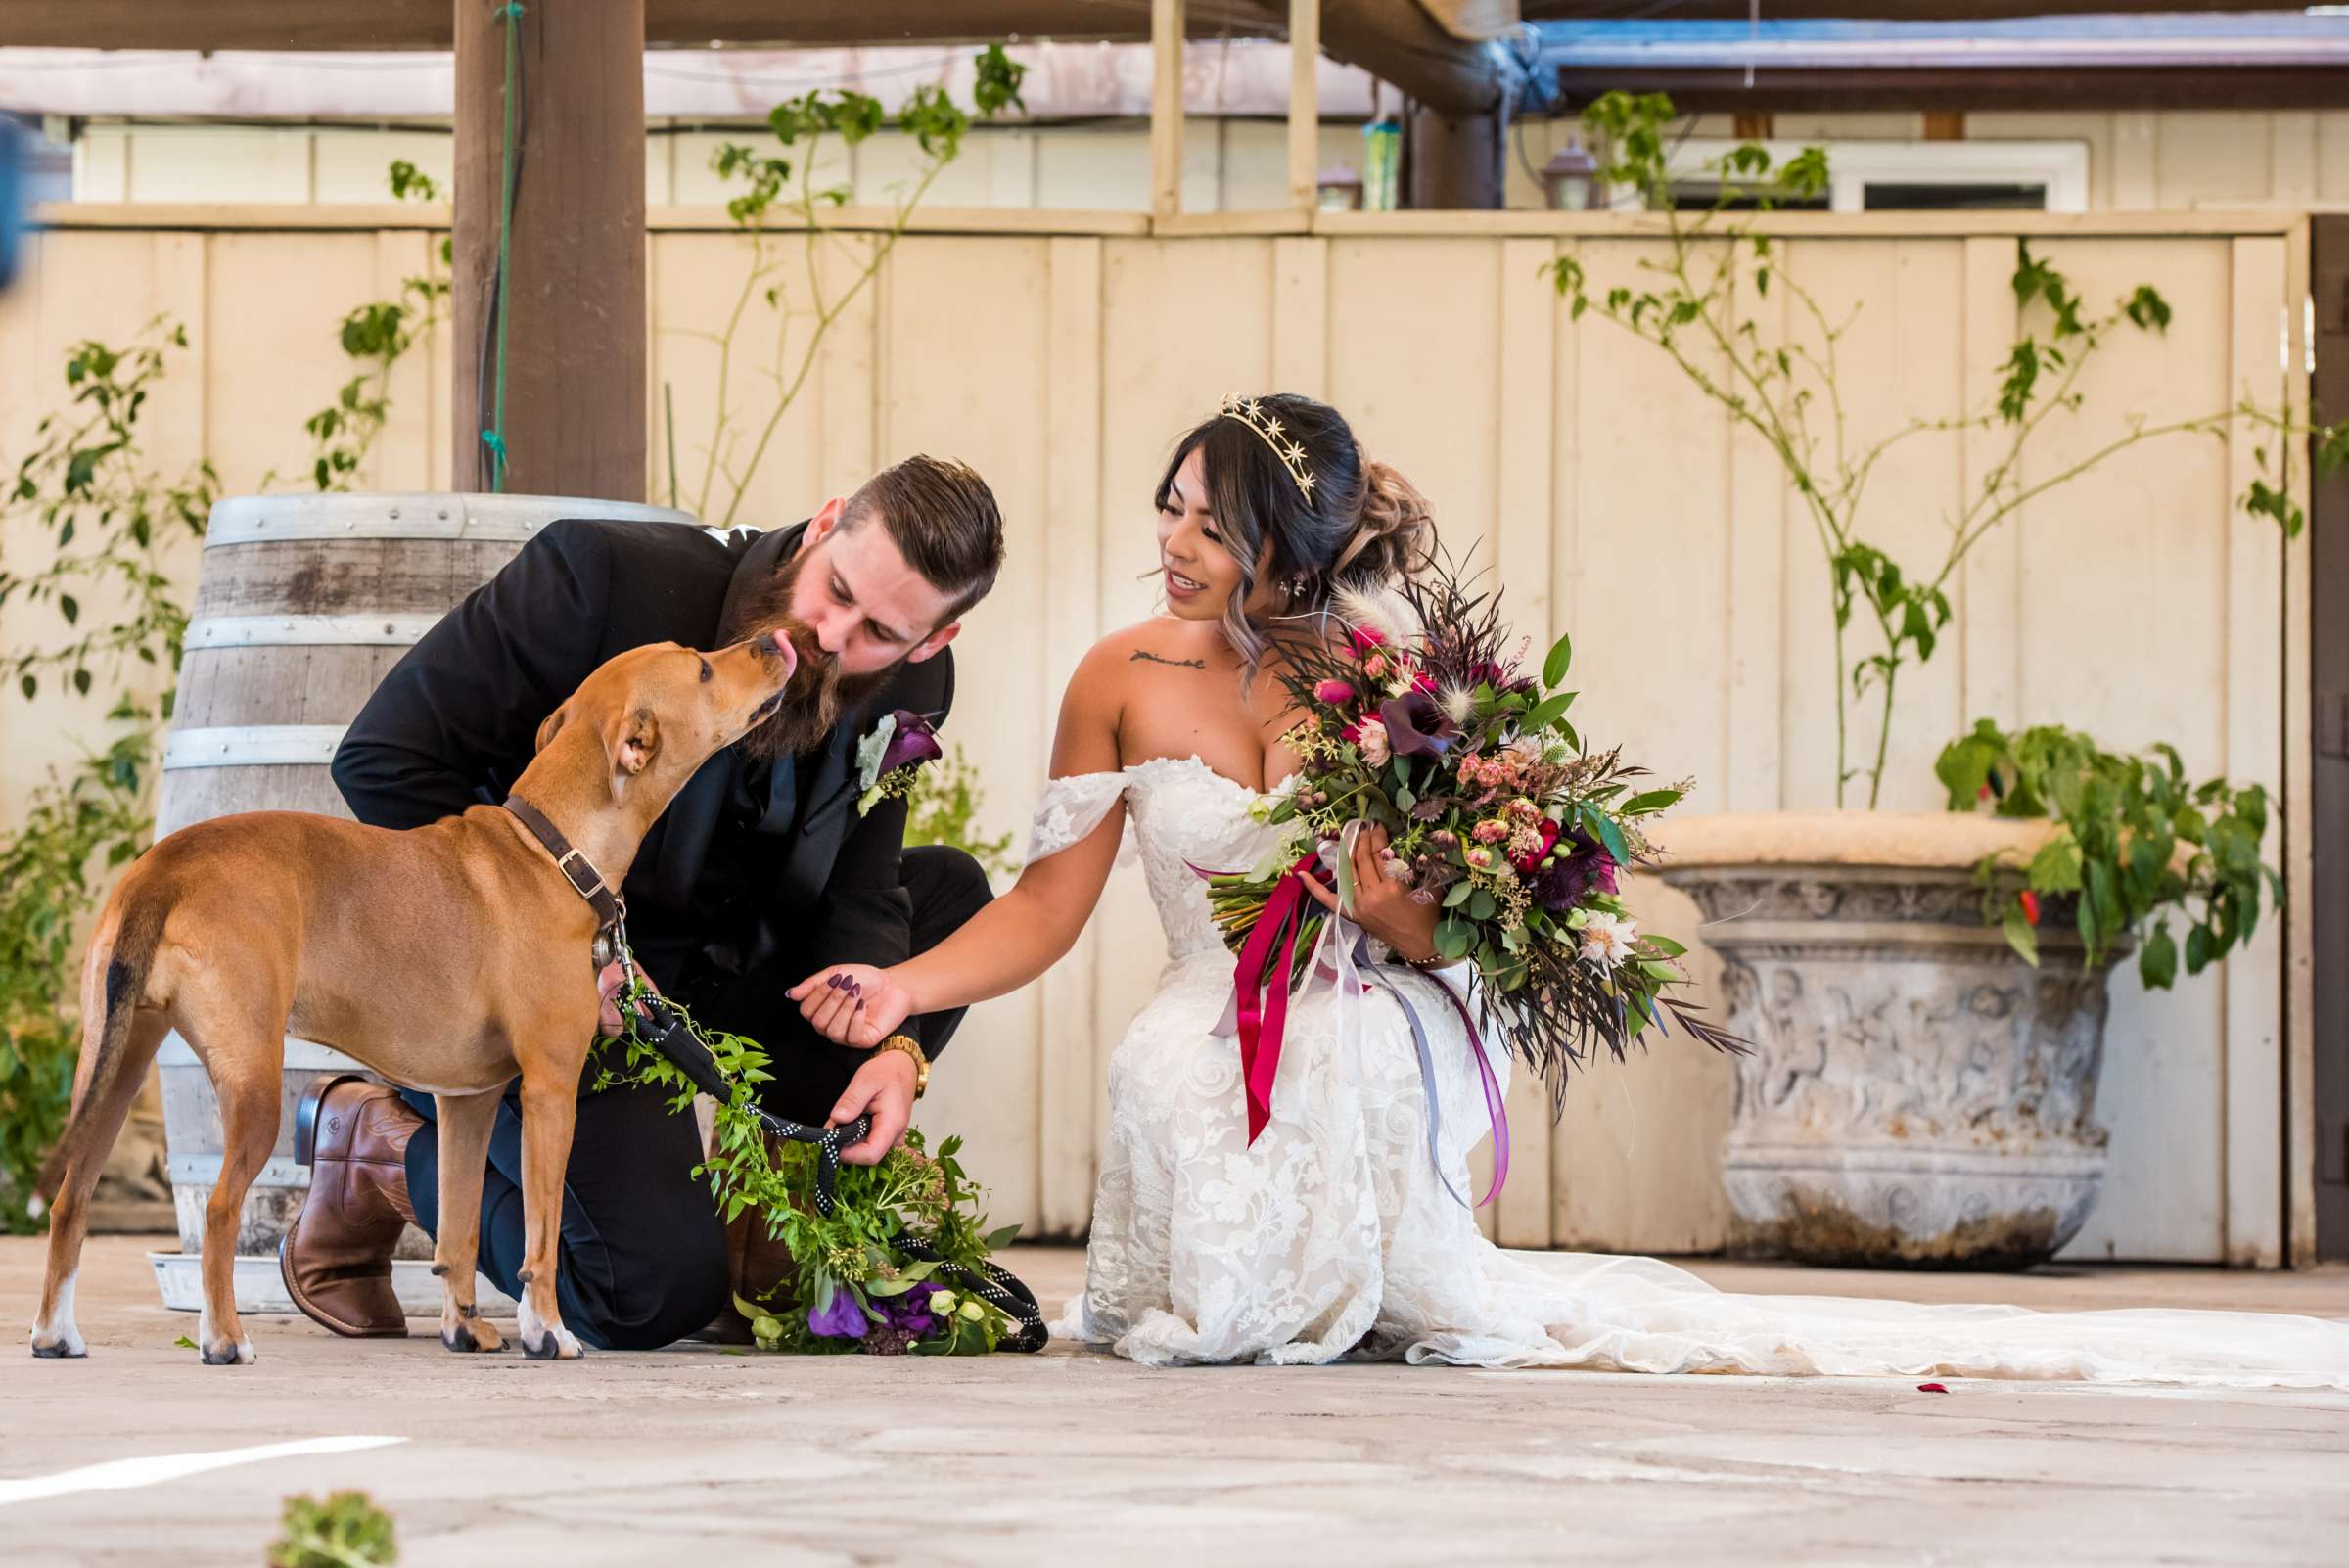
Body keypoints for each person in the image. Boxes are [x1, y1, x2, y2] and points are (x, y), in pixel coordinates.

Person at [792, 395, 2349, 1388]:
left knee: (1338, 1059)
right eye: (1174, 504)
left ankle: (1376, 1268)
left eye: (1217, 520)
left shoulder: (1390, 683)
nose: (1176, 542)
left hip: (1368, 995)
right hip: (1209, 1002)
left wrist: (1396, 911)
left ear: (1296, 546)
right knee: (1172, 1076)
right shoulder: (1115, 676)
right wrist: (909, 989)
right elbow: (1055, 906)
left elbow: (1431, 928)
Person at [280, 455, 1005, 1351]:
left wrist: (897, 1041)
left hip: (718, 968)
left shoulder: (915, 687)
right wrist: (563, 942)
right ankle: (382, 1151)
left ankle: (757, 1233)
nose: (829, 633)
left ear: (930, 645)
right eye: (836, 589)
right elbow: (384, 759)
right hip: (558, 983)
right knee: (640, 1297)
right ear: (823, 525)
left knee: (955, 905)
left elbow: (862, 888)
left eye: (879, 633)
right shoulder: (600, 577)